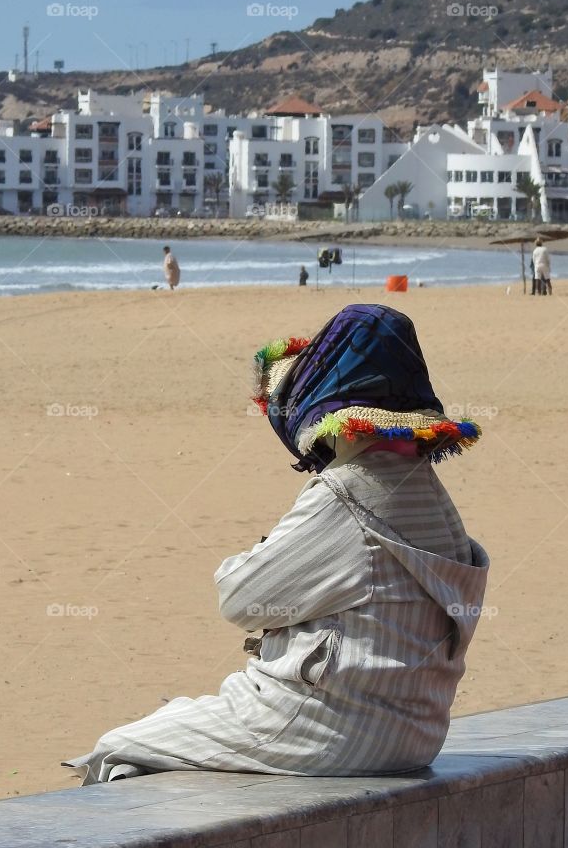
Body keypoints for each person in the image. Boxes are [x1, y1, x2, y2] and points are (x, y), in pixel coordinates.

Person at [65, 303, 488, 783]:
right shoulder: (435, 500)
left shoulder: (346, 496)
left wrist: (253, 556)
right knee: (179, 715)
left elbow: (241, 598)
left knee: (118, 746)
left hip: (329, 727)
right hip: (416, 734)